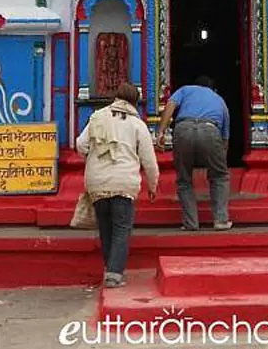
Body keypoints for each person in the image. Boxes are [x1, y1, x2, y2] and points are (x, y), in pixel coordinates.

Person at [76, 82, 159, 288]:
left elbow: (80, 144)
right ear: (134, 101)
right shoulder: (137, 124)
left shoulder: (97, 117)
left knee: (105, 228)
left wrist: (93, 156)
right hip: (124, 181)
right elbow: (148, 159)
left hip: (97, 181)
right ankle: (114, 274)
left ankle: (110, 269)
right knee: (122, 228)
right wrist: (153, 184)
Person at [157, 76, 231, 232]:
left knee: (184, 179)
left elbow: (170, 105)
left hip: (183, 128)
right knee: (219, 177)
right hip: (211, 129)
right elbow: (225, 139)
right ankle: (221, 220)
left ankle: (191, 223)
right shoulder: (219, 100)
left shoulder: (185, 90)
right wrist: (220, 162)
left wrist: (161, 132)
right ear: (213, 89)